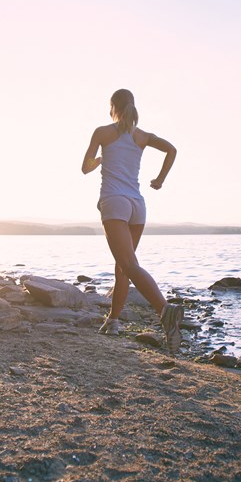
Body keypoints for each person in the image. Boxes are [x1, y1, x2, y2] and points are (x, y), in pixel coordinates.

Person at [82, 88, 183, 351]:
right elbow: (171, 150)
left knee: (127, 264)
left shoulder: (103, 132)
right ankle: (113, 321)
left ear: (113, 106)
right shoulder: (141, 136)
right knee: (123, 266)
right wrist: (160, 180)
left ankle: (165, 310)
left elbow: (85, 167)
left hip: (114, 202)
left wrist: (101, 159)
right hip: (137, 205)